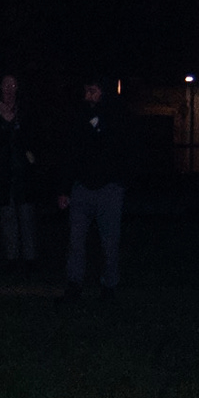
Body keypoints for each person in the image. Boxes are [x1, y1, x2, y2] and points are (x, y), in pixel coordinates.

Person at [58, 77, 126, 299]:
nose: (88, 96)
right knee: (76, 240)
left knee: (109, 241)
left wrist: (119, 182)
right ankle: (74, 282)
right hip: (82, 187)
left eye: (93, 91)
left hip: (109, 187)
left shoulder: (116, 116)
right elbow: (70, 153)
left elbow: (119, 148)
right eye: (86, 91)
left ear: (102, 92)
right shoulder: (78, 116)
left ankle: (109, 285)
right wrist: (65, 189)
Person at [0, 72, 41, 270]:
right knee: (7, 215)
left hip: (23, 171)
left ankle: (30, 258)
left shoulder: (25, 110)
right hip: (3, 172)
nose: (9, 89)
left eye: (13, 85)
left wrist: (30, 153)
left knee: (26, 214)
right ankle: (11, 258)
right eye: (6, 85)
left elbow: (32, 136)